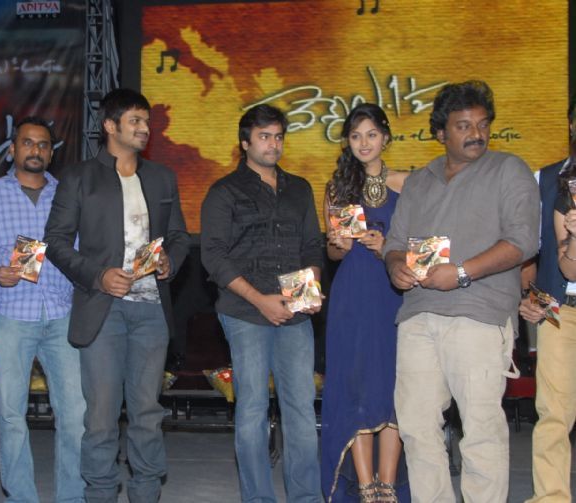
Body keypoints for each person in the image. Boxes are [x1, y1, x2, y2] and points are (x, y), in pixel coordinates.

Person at [383, 80, 539, 502]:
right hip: (417, 316)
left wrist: (463, 273)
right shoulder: (419, 180)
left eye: (483, 124)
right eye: (464, 126)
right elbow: (394, 244)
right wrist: (396, 267)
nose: (477, 134)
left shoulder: (509, 169)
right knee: (416, 427)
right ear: (440, 132)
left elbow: (523, 241)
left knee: (481, 430)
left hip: (479, 315)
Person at [44, 88, 189, 502]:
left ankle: (146, 493)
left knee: (147, 413)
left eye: (146, 122)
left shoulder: (162, 177)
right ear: (110, 126)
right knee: (101, 418)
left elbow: (178, 237)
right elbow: (55, 242)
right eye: (135, 121)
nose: (145, 129)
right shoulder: (79, 177)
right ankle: (100, 494)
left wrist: (170, 262)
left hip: (151, 312)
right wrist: (98, 276)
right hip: (102, 312)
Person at [200, 104, 323, 503]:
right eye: (264, 137)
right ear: (245, 143)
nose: (273, 144)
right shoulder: (224, 192)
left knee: (301, 409)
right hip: (245, 312)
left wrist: (309, 290)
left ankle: (306, 497)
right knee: (252, 409)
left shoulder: (300, 188)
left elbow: (312, 245)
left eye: (278, 137)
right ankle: (258, 498)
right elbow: (213, 256)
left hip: (295, 314)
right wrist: (260, 300)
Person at [0, 116, 86, 502]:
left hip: (61, 311)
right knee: (11, 415)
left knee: (75, 414)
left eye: (43, 145)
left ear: (51, 153)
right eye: (27, 143)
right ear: (12, 149)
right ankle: (21, 497)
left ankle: (72, 497)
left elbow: (83, 250)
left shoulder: (67, 195)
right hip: (11, 313)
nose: (36, 150)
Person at [321, 103, 409, 502]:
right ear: (347, 141)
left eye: (371, 134)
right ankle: (366, 485)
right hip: (353, 295)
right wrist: (338, 244)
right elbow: (333, 254)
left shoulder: (408, 183)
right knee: (356, 385)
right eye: (356, 136)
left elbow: (419, 244)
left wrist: (387, 246)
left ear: (385, 137)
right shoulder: (337, 188)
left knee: (393, 385)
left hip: (394, 292)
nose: (364, 143)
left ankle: (388, 484)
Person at [522, 96, 576, 503]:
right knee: (553, 414)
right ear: (571, 125)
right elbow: (528, 249)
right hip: (561, 311)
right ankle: (551, 498)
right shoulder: (545, 180)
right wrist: (528, 295)